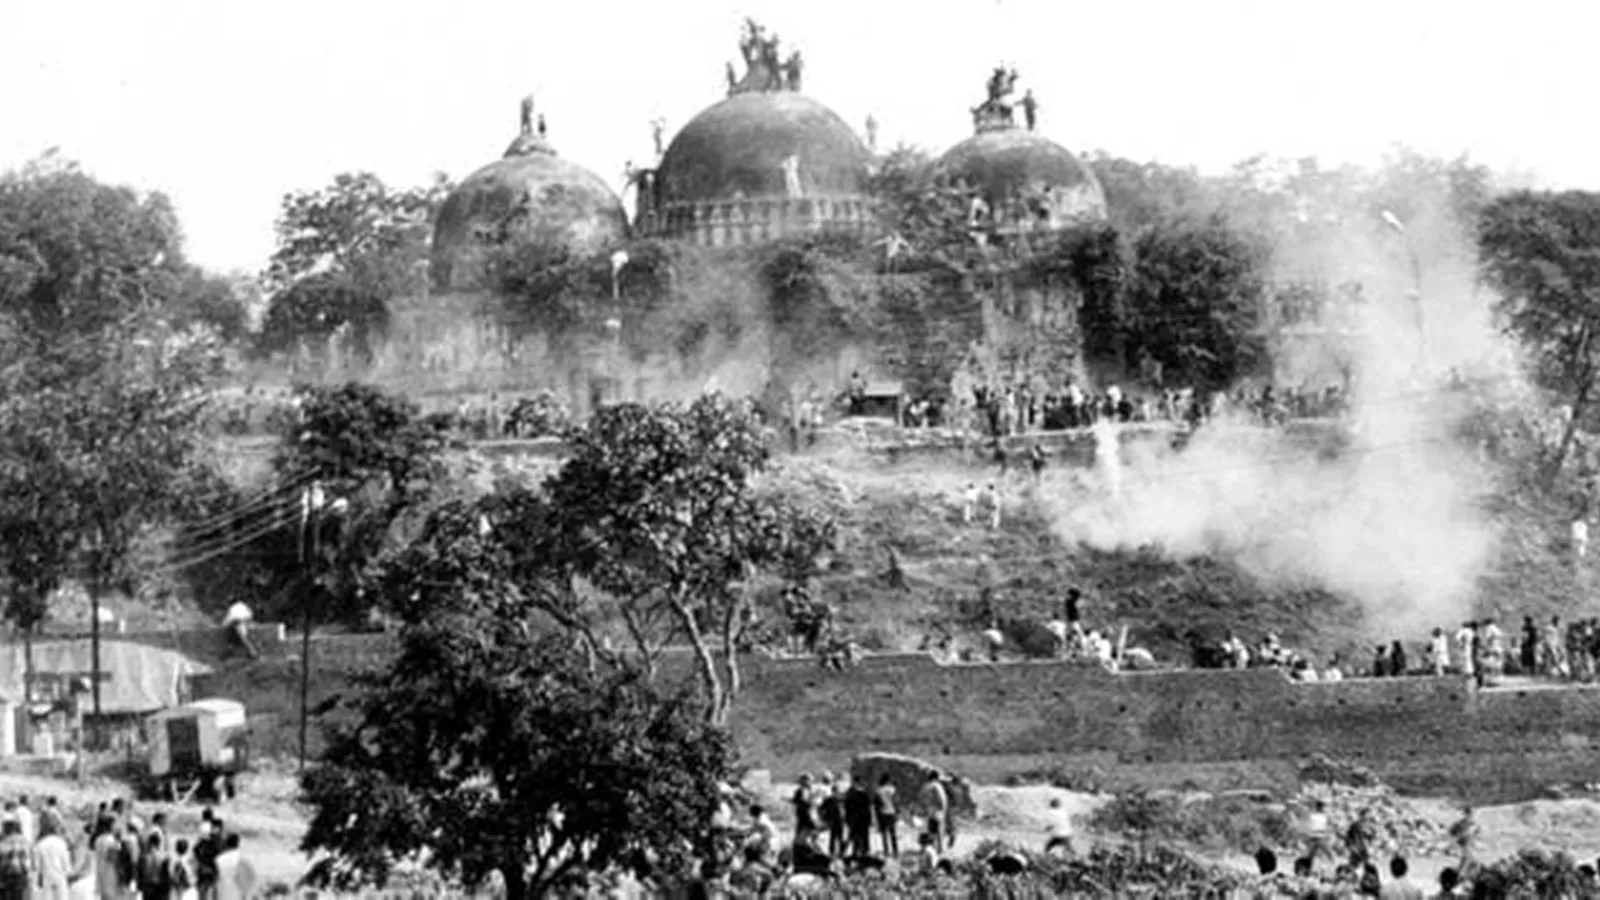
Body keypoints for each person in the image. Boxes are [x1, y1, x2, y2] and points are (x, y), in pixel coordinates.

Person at [34, 813, 73, 900]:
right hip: (60, 879)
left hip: (46, 879)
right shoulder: (61, 843)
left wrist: (39, 880)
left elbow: (37, 867)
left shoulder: (40, 844)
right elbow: (66, 866)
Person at [211, 834, 254, 900]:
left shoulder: (218, 859)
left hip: (222, 893)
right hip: (236, 894)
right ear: (238, 844)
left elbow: (214, 881)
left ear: (227, 843)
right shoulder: (241, 859)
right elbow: (245, 880)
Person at [0, 818, 31, 900]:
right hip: (20, 874)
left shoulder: (4, 841)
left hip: (6, 875)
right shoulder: (24, 841)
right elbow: (28, 857)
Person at [872, 775, 899, 858]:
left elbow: (876, 805)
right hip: (892, 813)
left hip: (883, 813)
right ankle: (895, 851)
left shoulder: (878, 791)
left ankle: (886, 851)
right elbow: (896, 801)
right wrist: (897, 812)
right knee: (893, 833)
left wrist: (876, 817)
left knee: (884, 834)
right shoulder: (893, 790)